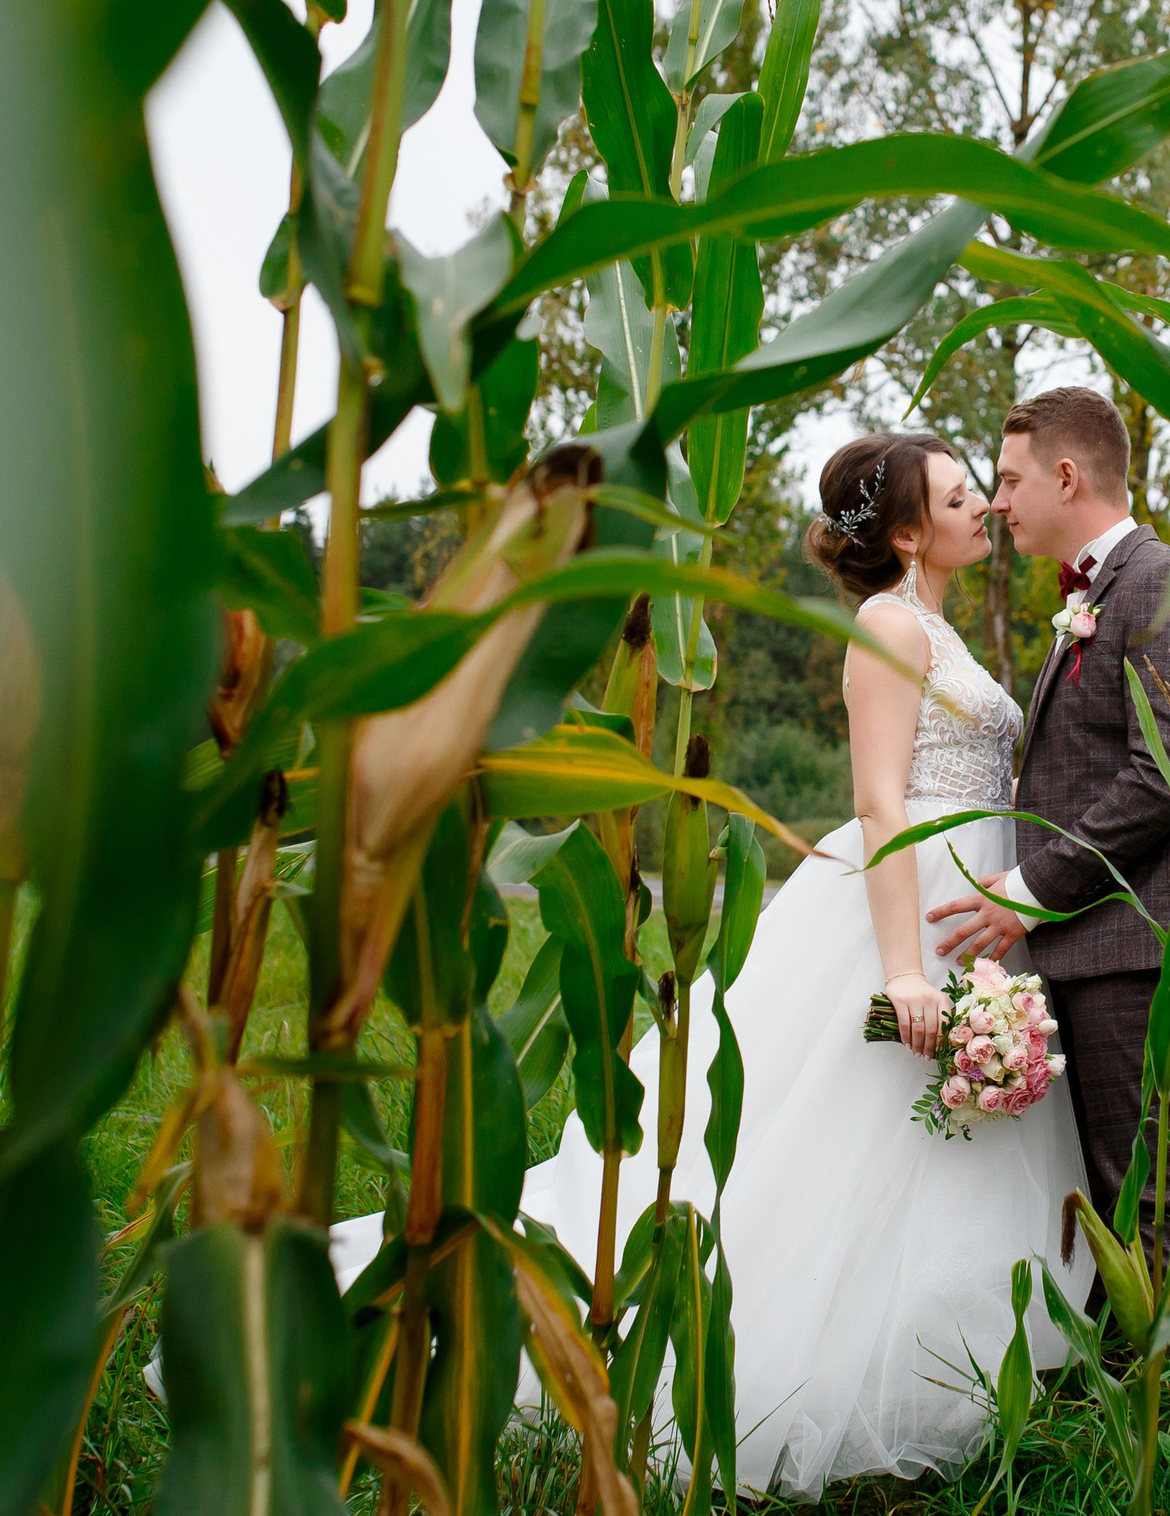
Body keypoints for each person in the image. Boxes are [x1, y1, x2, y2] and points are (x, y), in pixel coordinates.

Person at [451, 431, 1092, 1500]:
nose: (980, 504)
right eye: (954, 494)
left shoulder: (933, 622)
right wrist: (902, 974)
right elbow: (880, 800)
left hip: (972, 893)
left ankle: (969, 1364)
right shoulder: (888, 625)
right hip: (911, 900)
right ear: (902, 533)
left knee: (948, 1145)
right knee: (859, 1135)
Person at [925, 387, 1170, 1254]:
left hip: (1143, 937)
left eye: (1007, 479)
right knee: (1107, 1182)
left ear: (1066, 476)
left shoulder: (1163, 583)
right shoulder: (1103, 589)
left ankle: (1165, 1382)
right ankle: (1113, 1379)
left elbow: (1166, 775)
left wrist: (1030, 890)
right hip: (1100, 936)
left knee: (1141, 1184)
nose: (996, 503)